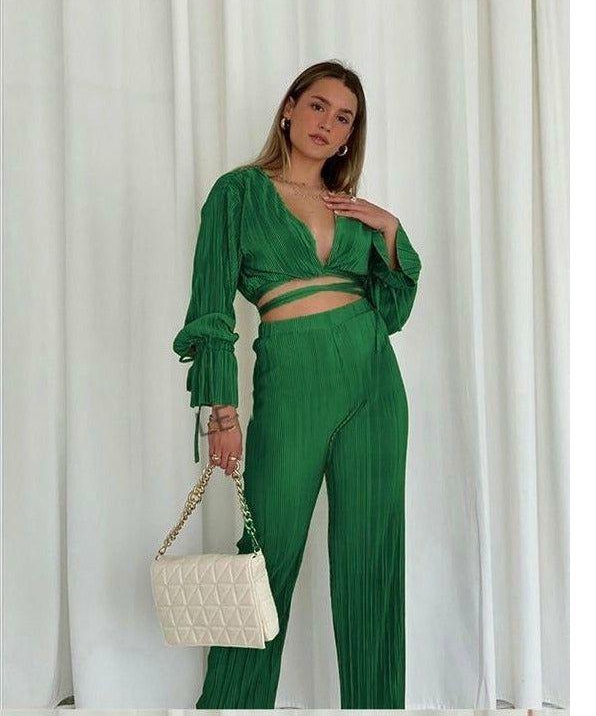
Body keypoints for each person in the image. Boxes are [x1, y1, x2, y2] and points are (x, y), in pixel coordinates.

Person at [172, 59, 422, 709]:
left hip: (372, 380)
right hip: (291, 379)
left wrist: (389, 229)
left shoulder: (350, 207)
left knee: (370, 559)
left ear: (348, 136)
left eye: (344, 118)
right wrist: (221, 412)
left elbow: (391, 309)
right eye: (317, 106)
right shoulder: (238, 193)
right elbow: (210, 309)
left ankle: (376, 706)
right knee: (266, 555)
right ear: (288, 108)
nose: (327, 123)